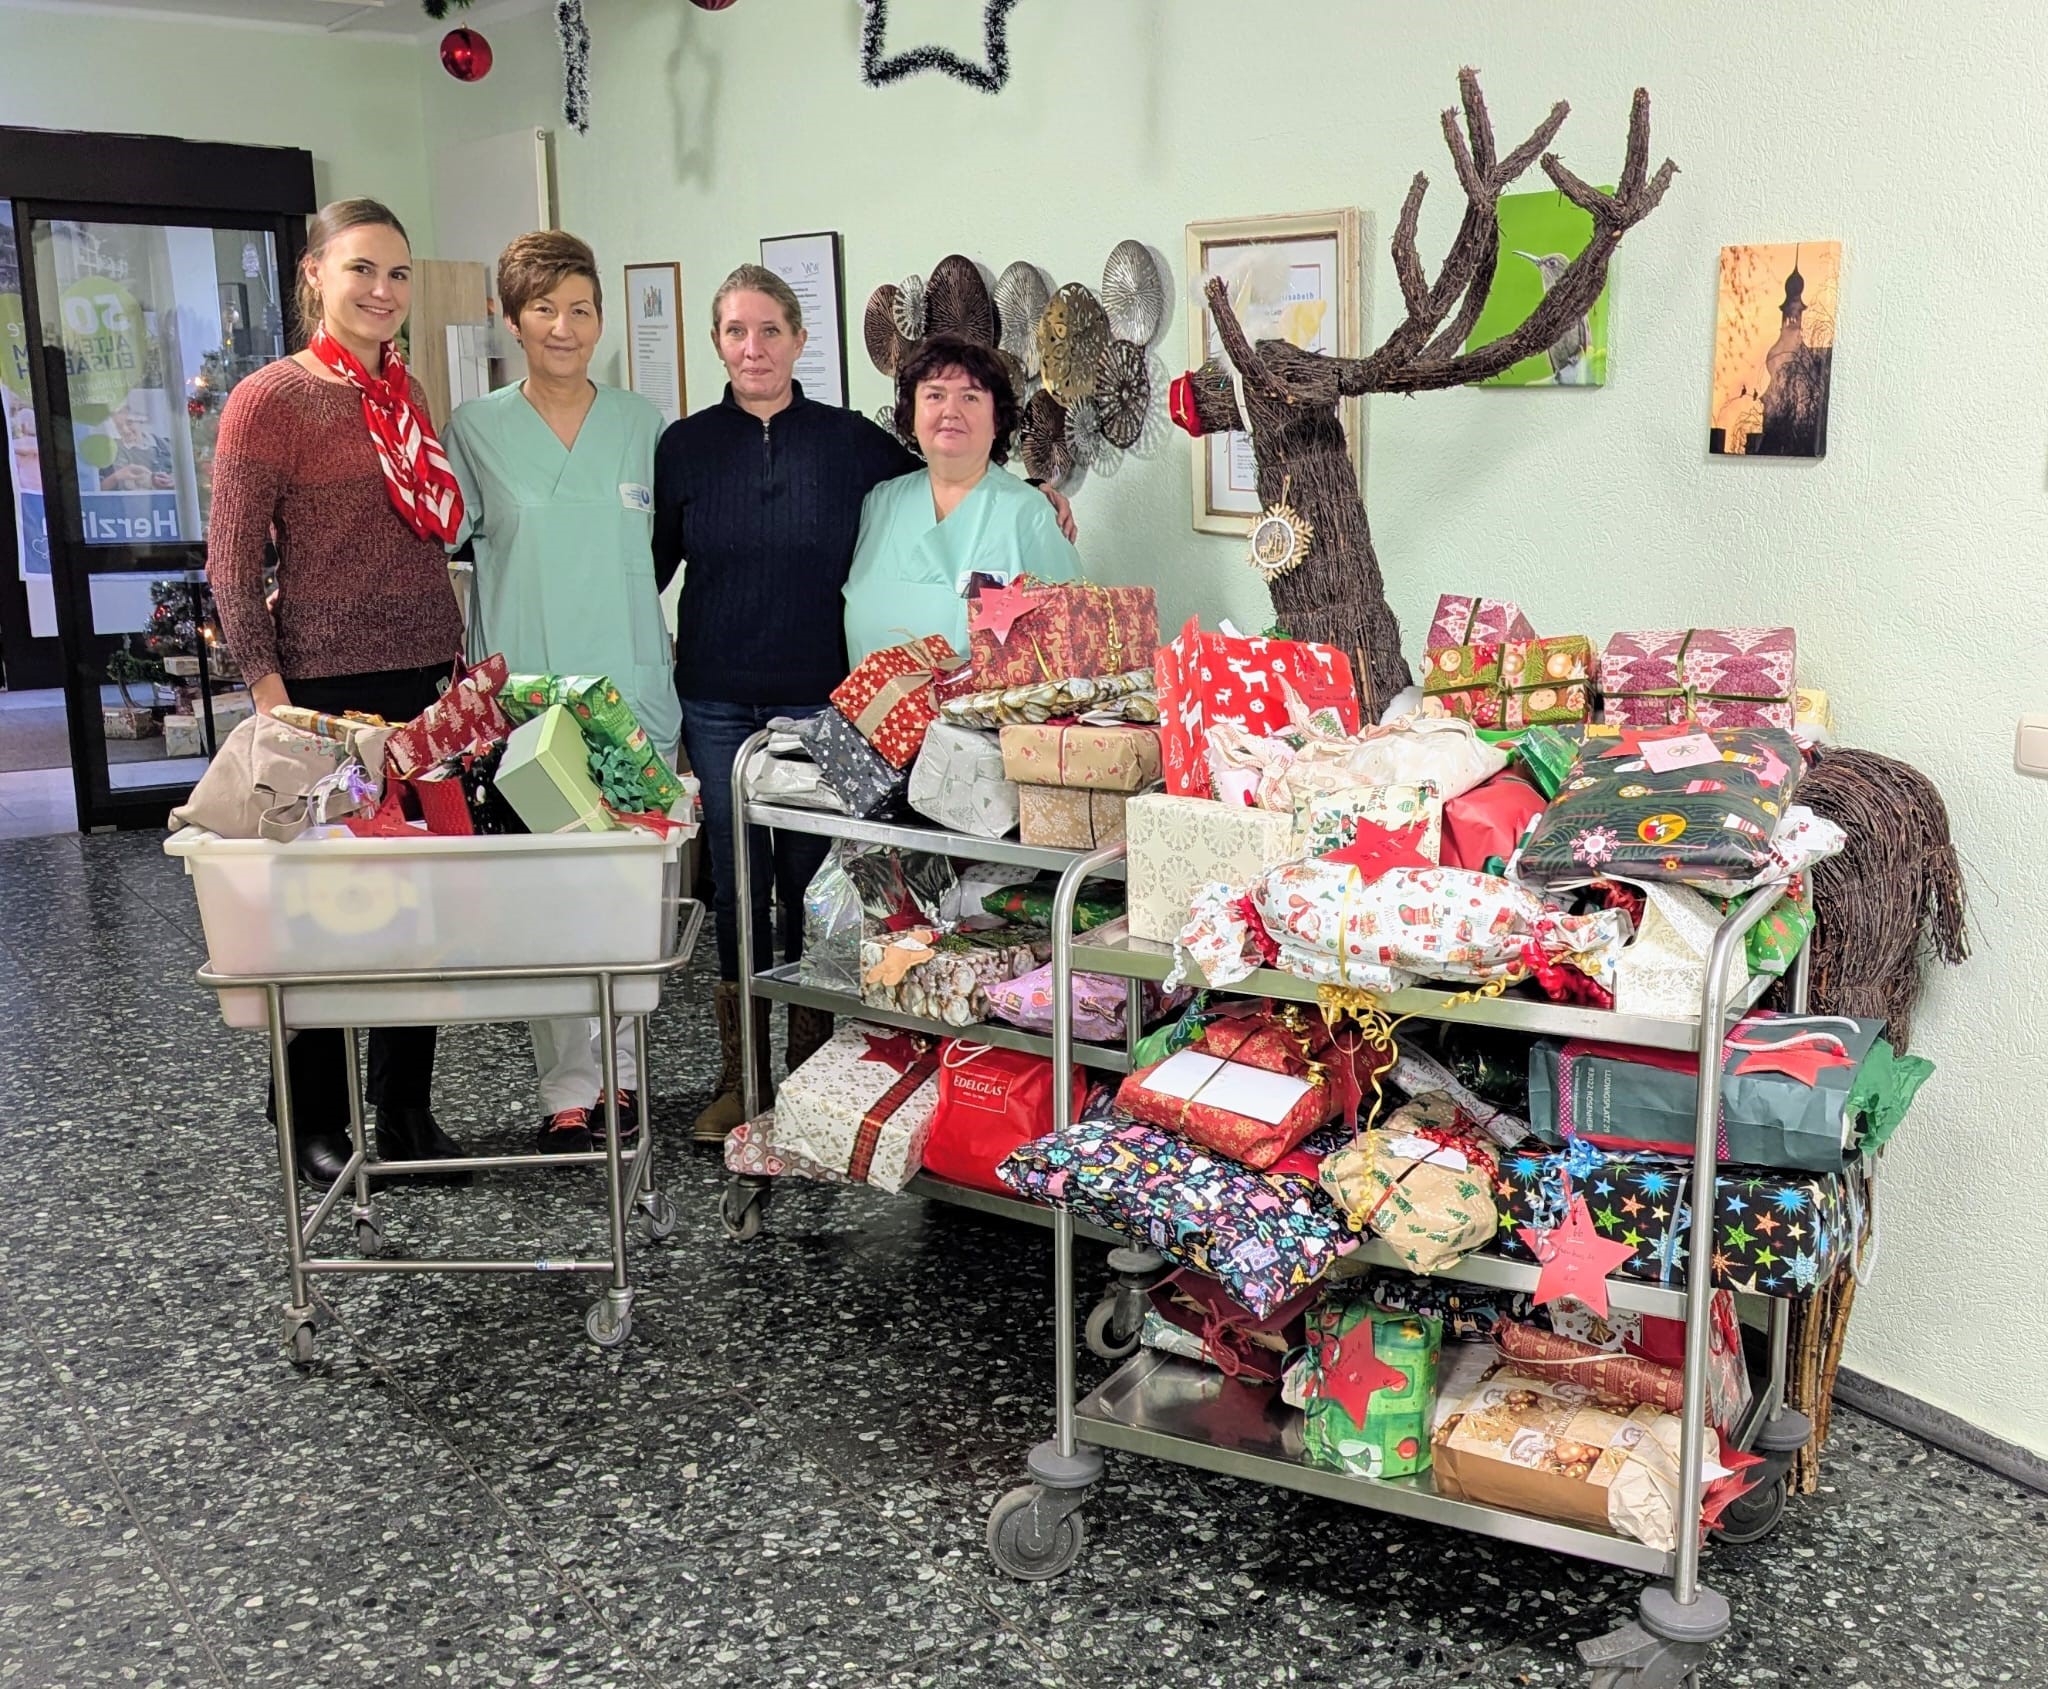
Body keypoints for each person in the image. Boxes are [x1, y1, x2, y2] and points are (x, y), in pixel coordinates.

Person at [654, 268, 1074, 1141]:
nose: (753, 348)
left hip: (898, 732)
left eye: (771, 330)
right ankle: (746, 1074)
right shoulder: (714, 454)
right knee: (741, 884)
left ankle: (826, 1070)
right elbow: (651, 560)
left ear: (800, 339)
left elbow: (1062, 633)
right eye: (735, 331)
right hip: (774, 711)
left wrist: (1044, 494)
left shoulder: (862, 452)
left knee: (828, 892)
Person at [206, 197, 469, 1184]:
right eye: (361, 268)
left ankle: (403, 1107)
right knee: (325, 912)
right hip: (320, 692)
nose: (382, 291)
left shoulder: (404, 388)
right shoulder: (270, 398)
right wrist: (271, 701)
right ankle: (311, 1114)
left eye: (398, 274)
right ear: (314, 273)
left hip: (423, 680)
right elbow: (232, 567)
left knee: (417, 906)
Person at [441, 230, 677, 1155]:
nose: (565, 326)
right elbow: (433, 534)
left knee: (627, 894)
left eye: (581, 308)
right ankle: (568, 1090)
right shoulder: (476, 429)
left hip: (630, 691)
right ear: (513, 320)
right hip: (528, 702)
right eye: (544, 308)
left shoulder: (641, 424)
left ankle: (625, 1077)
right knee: (547, 900)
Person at [842, 334, 1082, 664]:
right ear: (912, 414)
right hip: (871, 697)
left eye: (970, 397)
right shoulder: (878, 505)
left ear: (997, 420)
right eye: (935, 395)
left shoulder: (1031, 515)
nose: (951, 411)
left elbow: (1072, 644)